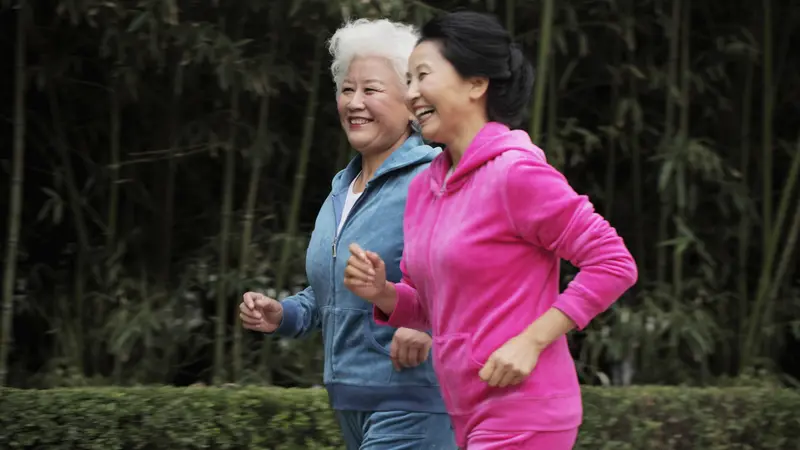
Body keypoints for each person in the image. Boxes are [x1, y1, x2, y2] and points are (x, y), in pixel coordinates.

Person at [342, 11, 638, 450]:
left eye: (422, 76)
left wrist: (531, 342)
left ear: (476, 84)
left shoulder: (516, 174)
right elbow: (434, 308)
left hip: (526, 410)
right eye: (407, 80)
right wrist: (383, 292)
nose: (410, 94)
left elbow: (613, 262)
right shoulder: (427, 186)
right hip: (465, 409)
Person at [238, 18, 457, 450]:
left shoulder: (436, 178)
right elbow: (330, 296)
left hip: (415, 402)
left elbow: (480, 277)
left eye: (371, 90)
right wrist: (283, 315)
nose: (354, 102)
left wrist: (429, 328)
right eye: (346, 89)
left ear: (412, 102)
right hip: (349, 401)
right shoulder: (342, 189)